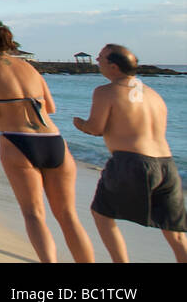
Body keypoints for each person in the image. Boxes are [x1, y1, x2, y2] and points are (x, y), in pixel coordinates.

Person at [0, 20, 94, 263]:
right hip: (53, 140)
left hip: (18, 142)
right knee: (68, 216)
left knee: (33, 214)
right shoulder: (29, 67)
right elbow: (51, 107)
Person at [74, 44, 187, 262]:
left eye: (101, 58)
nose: (97, 60)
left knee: (102, 215)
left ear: (114, 67)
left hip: (131, 162)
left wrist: (80, 124)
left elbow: (96, 128)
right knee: (174, 231)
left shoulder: (106, 91)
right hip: (166, 164)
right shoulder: (154, 95)